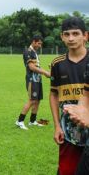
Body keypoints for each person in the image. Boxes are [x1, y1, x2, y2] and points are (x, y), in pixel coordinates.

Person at [49, 17, 88, 175]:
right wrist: (57, 125)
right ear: (62, 37)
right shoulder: (57, 64)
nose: (71, 38)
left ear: (85, 36)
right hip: (68, 131)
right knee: (67, 170)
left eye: (75, 33)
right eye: (67, 34)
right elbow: (53, 95)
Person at [15, 35, 51, 130]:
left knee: (37, 100)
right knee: (32, 100)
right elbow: (31, 67)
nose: (40, 45)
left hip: (38, 80)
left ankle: (32, 121)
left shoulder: (35, 52)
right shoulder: (28, 52)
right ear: (33, 42)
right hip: (32, 80)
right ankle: (20, 121)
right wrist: (45, 72)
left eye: (41, 44)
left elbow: (37, 66)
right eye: (39, 43)